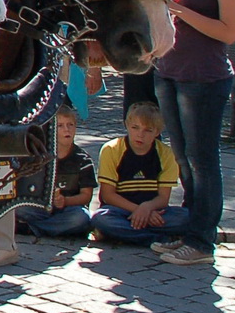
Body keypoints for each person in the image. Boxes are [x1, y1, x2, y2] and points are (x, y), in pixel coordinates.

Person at [151, 0, 235, 266]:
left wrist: (181, 13)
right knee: (183, 160)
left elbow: (228, 32)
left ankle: (203, 240)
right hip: (170, 72)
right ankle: (190, 228)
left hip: (204, 79)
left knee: (203, 161)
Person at [91, 102, 189, 245]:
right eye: (135, 128)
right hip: (121, 210)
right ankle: (157, 239)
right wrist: (138, 210)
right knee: (100, 218)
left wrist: (146, 209)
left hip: (153, 211)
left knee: (186, 217)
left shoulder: (166, 153)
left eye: (148, 130)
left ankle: (129, 234)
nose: (140, 135)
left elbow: (163, 198)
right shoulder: (112, 149)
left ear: (157, 132)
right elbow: (108, 195)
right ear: (127, 125)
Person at [17, 105, 96, 238]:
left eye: (70, 125)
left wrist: (65, 201)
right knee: (19, 209)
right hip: (42, 207)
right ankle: (53, 228)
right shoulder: (41, 155)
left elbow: (86, 196)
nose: (67, 129)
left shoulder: (83, 160)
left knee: (81, 218)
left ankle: (32, 229)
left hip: (69, 208)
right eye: (60, 126)